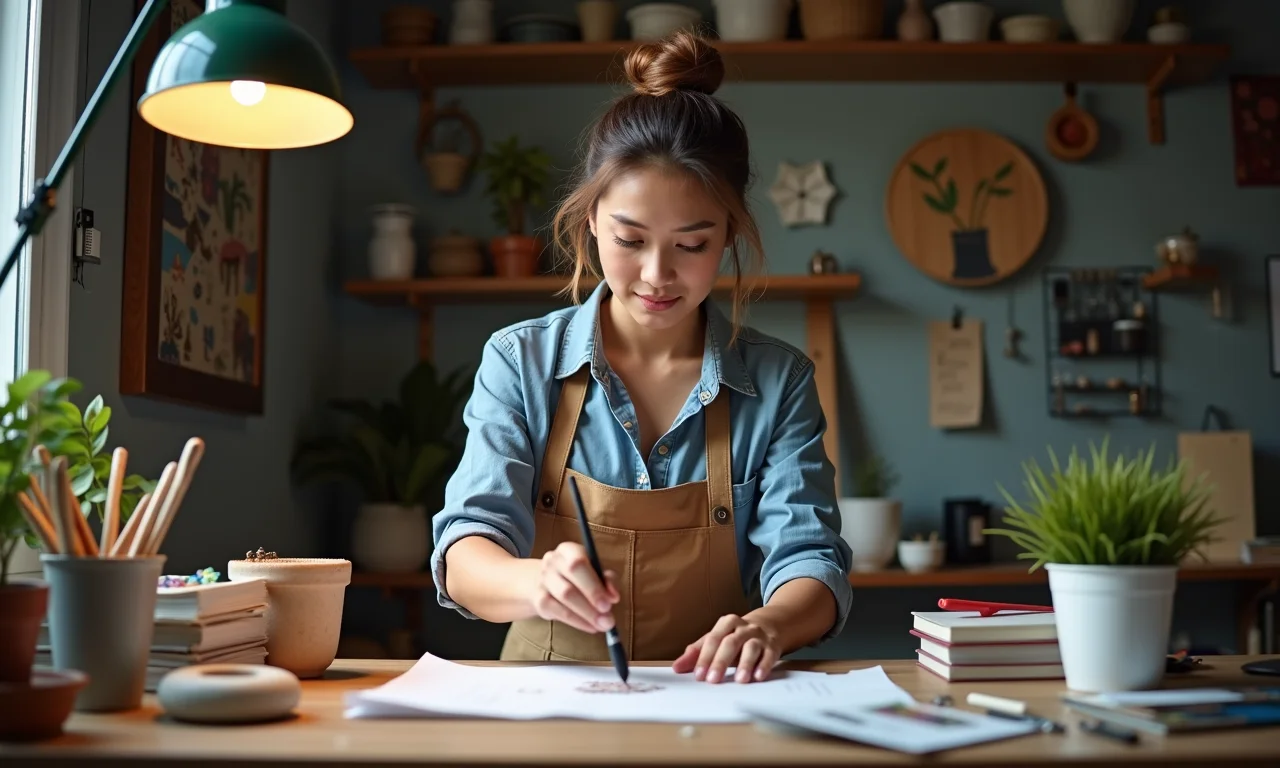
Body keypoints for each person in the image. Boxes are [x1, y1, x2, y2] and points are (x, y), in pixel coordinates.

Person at [431, 30, 853, 685]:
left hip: (712, 698)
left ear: (729, 235)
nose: (657, 274)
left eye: (692, 244)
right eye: (630, 239)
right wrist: (537, 582)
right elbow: (465, 557)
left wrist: (770, 625)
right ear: (591, 219)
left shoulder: (779, 381)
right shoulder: (520, 361)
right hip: (545, 699)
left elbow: (811, 560)